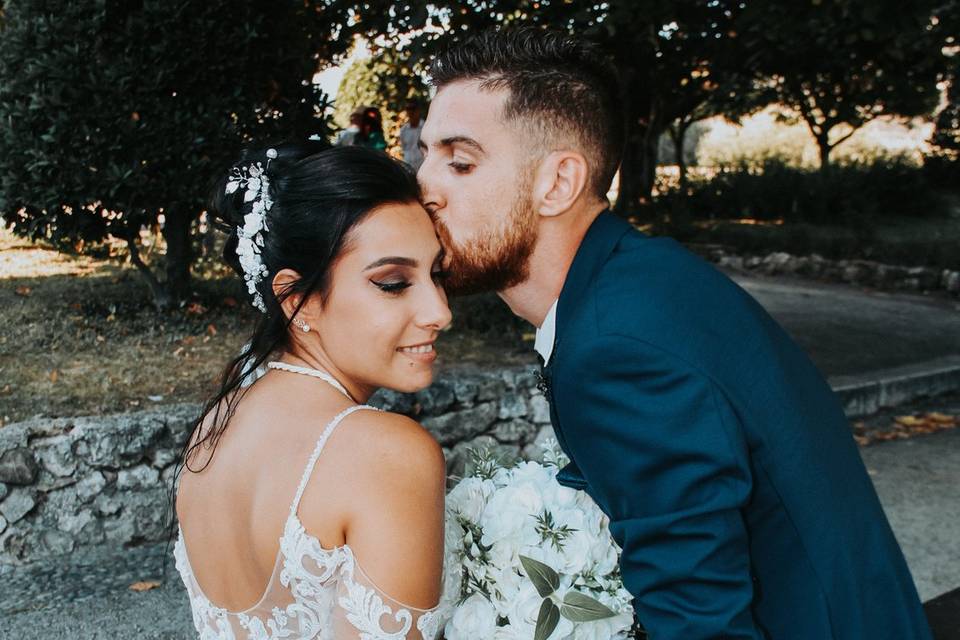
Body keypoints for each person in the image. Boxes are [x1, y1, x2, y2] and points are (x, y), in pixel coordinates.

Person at [417, 27, 933, 640]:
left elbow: (700, 625)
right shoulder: (642, 279)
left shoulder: (616, 347)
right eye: (422, 154)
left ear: (557, 183)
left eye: (460, 161)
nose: (424, 185)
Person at [174, 142, 451, 639]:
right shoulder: (387, 453)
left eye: (437, 274)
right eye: (392, 283)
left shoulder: (215, 425)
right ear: (298, 301)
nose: (440, 312)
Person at [399, 100, 425, 171]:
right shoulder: (403, 130)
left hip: (423, 166)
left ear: (418, 110)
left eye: (413, 108)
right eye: (408, 108)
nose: (410, 111)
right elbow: (404, 148)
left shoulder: (426, 127)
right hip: (408, 167)